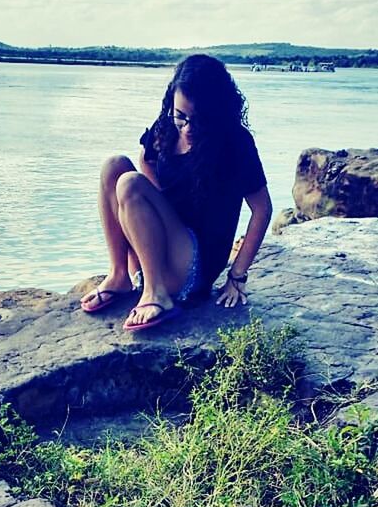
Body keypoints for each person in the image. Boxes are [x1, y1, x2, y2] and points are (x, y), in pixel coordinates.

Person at [80, 54, 272, 331]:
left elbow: (262, 209)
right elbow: (145, 158)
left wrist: (237, 275)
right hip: (158, 248)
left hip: (194, 263)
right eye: (181, 117)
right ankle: (120, 274)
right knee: (114, 166)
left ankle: (156, 294)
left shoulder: (235, 143)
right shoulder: (167, 126)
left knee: (130, 184)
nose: (188, 128)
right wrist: (155, 205)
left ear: (217, 113)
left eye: (199, 120)